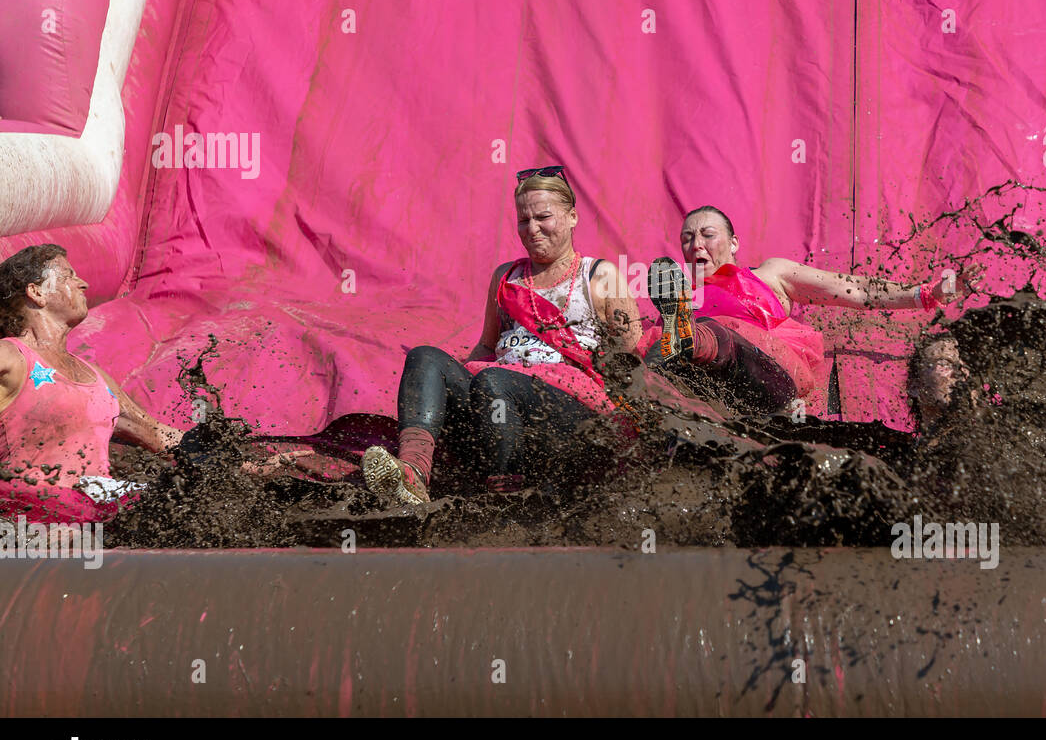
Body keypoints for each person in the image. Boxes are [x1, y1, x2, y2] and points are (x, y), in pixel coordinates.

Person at [362, 167, 642, 501]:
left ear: (572, 217)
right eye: (524, 220)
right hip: (496, 396)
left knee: (495, 382)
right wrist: (451, 386)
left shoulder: (600, 275)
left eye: (543, 217)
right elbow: (486, 346)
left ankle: (506, 502)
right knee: (425, 357)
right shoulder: (505, 277)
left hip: (569, 414)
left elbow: (631, 356)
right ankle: (412, 475)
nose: (532, 229)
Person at [0, 245, 306, 526]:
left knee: (190, 506)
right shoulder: (11, 355)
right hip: (33, 517)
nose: (84, 283)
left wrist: (247, 468)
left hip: (96, 510)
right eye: (69, 275)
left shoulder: (95, 377)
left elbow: (157, 434)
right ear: (36, 293)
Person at [644, 205, 973, 415]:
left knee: (712, 334)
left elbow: (854, 290)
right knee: (657, 352)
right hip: (709, 388)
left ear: (733, 243)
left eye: (707, 234)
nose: (696, 244)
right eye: (687, 238)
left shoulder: (769, 274)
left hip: (771, 369)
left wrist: (928, 293)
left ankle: (694, 342)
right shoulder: (680, 295)